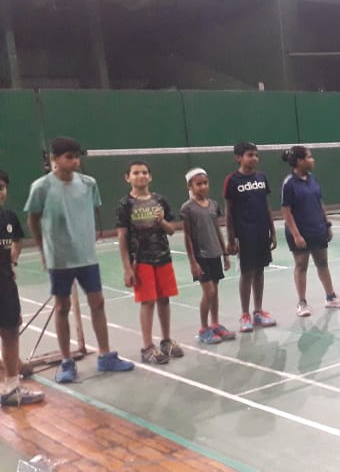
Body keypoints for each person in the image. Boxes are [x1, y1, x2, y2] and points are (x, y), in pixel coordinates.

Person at [25, 137, 135, 382]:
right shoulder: (41, 187)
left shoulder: (88, 183)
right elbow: (33, 219)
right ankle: (66, 361)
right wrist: (45, 251)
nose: (75, 161)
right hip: (59, 259)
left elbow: (92, 209)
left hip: (86, 257)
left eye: (77, 157)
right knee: (62, 307)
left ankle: (105, 356)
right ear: (54, 159)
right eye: (69, 157)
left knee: (98, 302)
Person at [116, 161, 183, 364]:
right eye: (136, 173)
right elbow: (122, 237)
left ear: (150, 177)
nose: (141, 176)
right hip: (141, 260)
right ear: (127, 178)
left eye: (144, 172)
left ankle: (166, 340)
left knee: (164, 299)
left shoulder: (159, 200)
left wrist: (162, 220)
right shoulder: (125, 205)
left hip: (162, 257)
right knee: (148, 302)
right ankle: (147, 347)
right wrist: (127, 267)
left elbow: (172, 230)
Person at [281, 145, 340, 316]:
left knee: (322, 263)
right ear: (299, 161)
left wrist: (327, 224)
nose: (313, 160)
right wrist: (296, 235)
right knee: (301, 266)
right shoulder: (289, 183)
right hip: (300, 232)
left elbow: (320, 203)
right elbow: (286, 212)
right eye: (309, 157)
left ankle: (331, 297)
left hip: (317, 229)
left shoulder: (313, 179)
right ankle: (302, 303)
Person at [0, 170, 45, 406]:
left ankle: (11, 385)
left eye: (2, 187)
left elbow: (16, 240)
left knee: (10, 331)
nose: (0, 192)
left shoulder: (8, 217)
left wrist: (12, 261)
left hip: (6, 285)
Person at [224, 142, 277, 332]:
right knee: (247, 273)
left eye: (256, 155)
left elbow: (266, 206)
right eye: (249, 155)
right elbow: (228, 212)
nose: (254, 158)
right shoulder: (232, 180)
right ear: (238, 157)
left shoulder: (262, 177)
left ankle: (258, 311)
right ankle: (244, 314)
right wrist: (230, 239)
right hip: (244, 234)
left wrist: (272, 231)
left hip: (261, 231)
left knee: (260, 271)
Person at [180, 168, 236, 344]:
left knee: (215, 292)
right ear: (190, 186)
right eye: (198, 184)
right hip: (200, 256)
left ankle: (215, 324)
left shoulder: (213, 204)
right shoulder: (187, 208)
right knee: (209, 292)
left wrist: (224, 253)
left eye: (205, 183)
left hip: (215, 254)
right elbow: (187, 236)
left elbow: (217, 229)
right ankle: (204, 328)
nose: (203, 187)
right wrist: (192, 262)